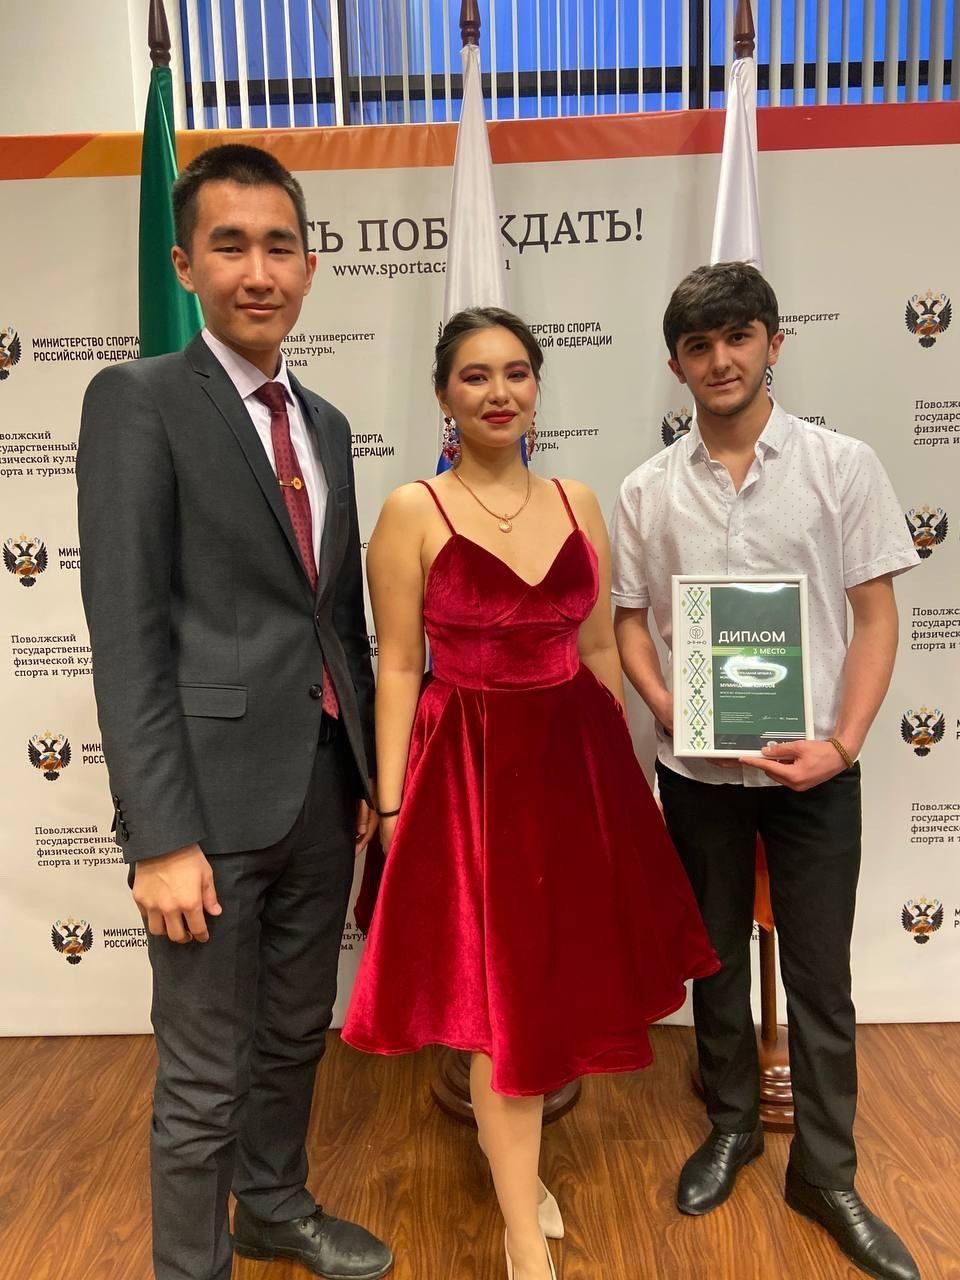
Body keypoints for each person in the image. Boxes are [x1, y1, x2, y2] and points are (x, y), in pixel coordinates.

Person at [341, 306, 718, 1280]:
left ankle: (519, 1169)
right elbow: (396, 666)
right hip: (466, 774)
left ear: (538, 387)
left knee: (550, 986)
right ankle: (520, 1231)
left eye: (515, 372)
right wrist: (393, 803)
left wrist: (621, 784)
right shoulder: (412, 510)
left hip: (574, 765)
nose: (498, 391)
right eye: (475, 375)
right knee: (500, 1003)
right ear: (443, 395)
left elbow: (596, 649)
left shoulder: (578, 500)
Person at [77, 144, 392, 1280]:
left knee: (297, 1031)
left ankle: (273, 1205)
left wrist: (365, 776)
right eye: (230, 246)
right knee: (204, 1071)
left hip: (321, 788)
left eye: (278, 246)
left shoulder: (328, 422)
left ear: (309, 265)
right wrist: (157, 837)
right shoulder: (138, 401)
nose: (258, 270)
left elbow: (335, 615)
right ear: (185, 264)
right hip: (204, 811)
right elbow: (127, 633)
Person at [610, 262, 920, 1280]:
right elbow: (629, 622)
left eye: (738, 337)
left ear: (774, 343)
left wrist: (844, 742)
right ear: (676, 365)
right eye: (698, 346)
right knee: (712, 960)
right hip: (698, 772)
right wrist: (668, 707)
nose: (721, 360)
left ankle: (826, 1172)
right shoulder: (646, 490)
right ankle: (732, 1125)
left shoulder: (842, 466)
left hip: (814, 772)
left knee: (819, 977)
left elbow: (876, 616)